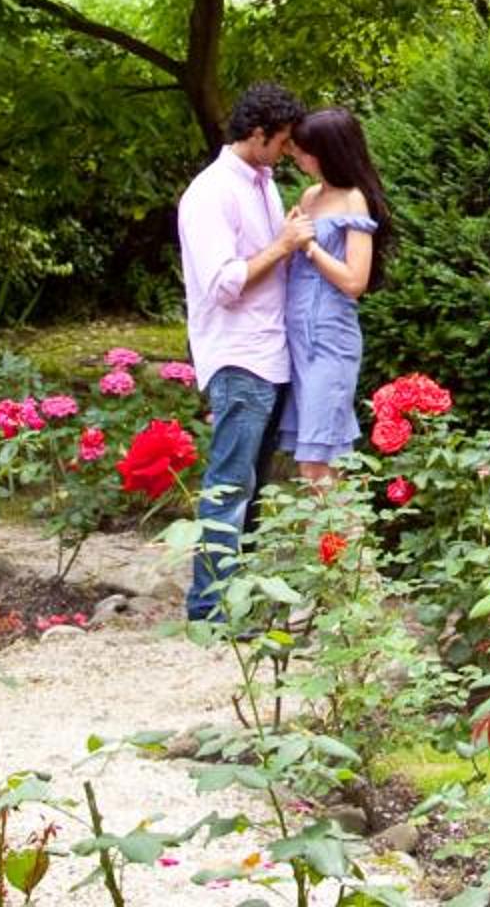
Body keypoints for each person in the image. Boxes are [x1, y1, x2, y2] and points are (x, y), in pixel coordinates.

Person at [177, 80, 312, 621]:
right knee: (230, 485)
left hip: (270, 352)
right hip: (238, 357)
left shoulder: (263, 184)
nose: (287, 151)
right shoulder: (210, 193)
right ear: (257, 134)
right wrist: (281, 245)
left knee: (254, 488)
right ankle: (209, 608)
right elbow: (222, 283)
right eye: (282, 141)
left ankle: (239, 602)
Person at [280, 106, 394, 483]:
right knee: (316, 460)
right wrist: (287, 240)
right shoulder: (310, 196)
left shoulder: (353, 200)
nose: (297, 156)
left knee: (317, 460)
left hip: (330, 337)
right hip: (298, 336)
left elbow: (354, 281)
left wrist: (310, 246)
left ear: (329, 151)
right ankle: (336, 524)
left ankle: (340, 525)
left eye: (305, 150)